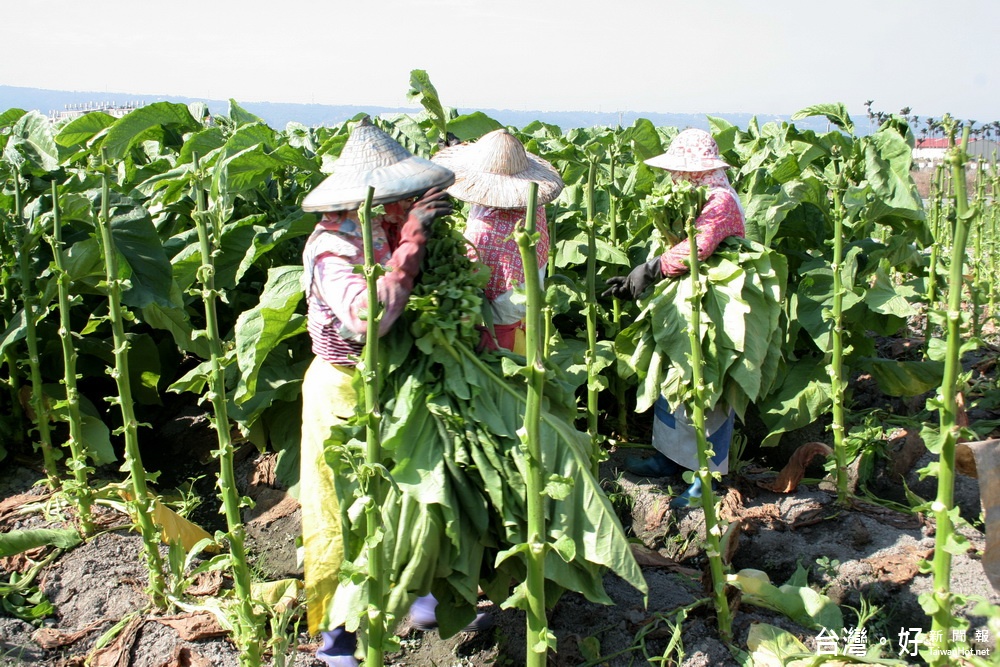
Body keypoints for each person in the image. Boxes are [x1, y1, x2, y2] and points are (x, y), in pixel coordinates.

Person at [299, 117, 463, 666]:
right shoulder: (332, 246)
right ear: (370, 201)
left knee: (409, 500)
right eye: (398, 198)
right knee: (347, 514)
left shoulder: (378, 231)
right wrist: (412, 242)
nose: (407, 204)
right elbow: (366, 317)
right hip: (344, 389)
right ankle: (337, 640)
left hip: (391, 387)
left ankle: (419, 599)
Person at [603, 128, 745, 507]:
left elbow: (697, 248)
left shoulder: (720, 200)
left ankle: (705, 477)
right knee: (672, 376)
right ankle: (669, 460)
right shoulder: (696, 198)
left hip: (714, 301)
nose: (675, 178)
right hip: (683, 297)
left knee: (705, 381)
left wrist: (649, 271)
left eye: (683, 172)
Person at [431, 128, 564, 353]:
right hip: (524, 323)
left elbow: (466, 275)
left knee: (501, 380)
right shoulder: (533, 208)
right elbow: (489, 194)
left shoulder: (482, 234)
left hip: (496, 334)